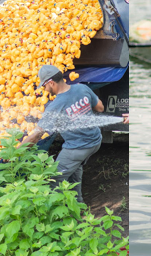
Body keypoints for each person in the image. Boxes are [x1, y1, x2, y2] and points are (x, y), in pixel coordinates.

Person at [21, 64, 105, 203]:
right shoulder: (82, 88)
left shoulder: (55, 106)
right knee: (75, 169)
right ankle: (78, 204)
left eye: (44, 86)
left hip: (78, 147)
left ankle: (54, 213)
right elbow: (100, 108)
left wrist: (17, 151)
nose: (44, 89)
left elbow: (36, 136)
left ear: (51, 83)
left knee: (54, 179)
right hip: (95, 140)